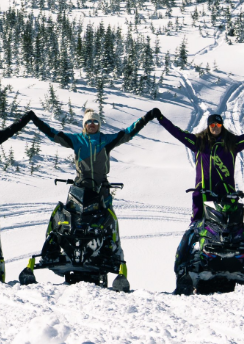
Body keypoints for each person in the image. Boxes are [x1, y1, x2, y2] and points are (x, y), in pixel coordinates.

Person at [25, 107, 157, 280]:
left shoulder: (106, 140)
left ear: (99, 125)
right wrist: (35, 120)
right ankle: (53, 249)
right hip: (80, 187)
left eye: (95, 122)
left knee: (109, 221)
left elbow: (128, 133)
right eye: (89, 122)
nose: (92, 124)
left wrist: (146, 117)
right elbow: (54, 134)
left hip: (101, 189)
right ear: (84, 124)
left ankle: (112, 254)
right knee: (65, 218)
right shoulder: (77, 140)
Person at [155, 107, 244, 277]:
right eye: (212, 124)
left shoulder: (232, 144)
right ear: (208, 126)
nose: (215, 127)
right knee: (193, 231)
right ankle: (181, 269)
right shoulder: (198, 142)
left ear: (222, 125)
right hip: (203, 196)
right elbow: (177, 133)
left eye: (218, 124)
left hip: (227, 197)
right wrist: (161, 118)